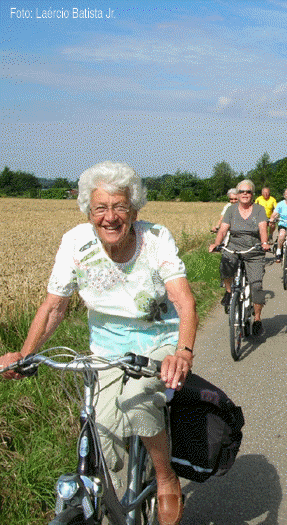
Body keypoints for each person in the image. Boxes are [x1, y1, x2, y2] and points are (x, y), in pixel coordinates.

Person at [0, 161, 197, 525]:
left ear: (134, 210)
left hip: (158, 341)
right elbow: (55, 306)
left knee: (136, 403)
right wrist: (25, 356)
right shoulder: (76, 242)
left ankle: (166, 477)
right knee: (99, 431)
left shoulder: (155, 240)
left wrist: (182, 352)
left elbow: (184, 301)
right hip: (105, 350)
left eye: (119, 206)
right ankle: (111, 505)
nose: (110, 217)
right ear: (88, 212)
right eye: (100, 208)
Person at [209, 179, 270, 335]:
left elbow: (263, 228)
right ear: (237, 194)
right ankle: (230, 293)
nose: (245, 194)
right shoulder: (231, 210)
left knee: (256, 286)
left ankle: (257, 319)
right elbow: (223, 230)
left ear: (252, 194)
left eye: (248, 191)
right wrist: (216, 243)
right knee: (225, 266)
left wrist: (264, 243)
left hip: (254, 249)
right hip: (234, 247)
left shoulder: (259, 210)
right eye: (242, 191)